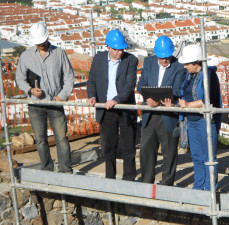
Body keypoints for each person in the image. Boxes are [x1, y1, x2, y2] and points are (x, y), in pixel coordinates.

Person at [16, 22, 74, 173]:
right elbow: (20, 79)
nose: (41, 45)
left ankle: (66, 170)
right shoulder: (26, 56)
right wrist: (30, 90)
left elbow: (69, 77)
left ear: (47, 37)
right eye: (38, 43)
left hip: (55, 103)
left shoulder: (59, 53)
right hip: (36, 105)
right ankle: (47, 169)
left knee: (61, 138)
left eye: (42, 42)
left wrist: (61, 97)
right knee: (41, 140)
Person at [87, 29, 138, 181]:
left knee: (128, 146)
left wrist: (116, 99)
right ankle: (110, 177)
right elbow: (92, 81)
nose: (120, 52)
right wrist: (92, 96)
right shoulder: (98, 59)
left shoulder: (131, 60)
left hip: (124, 108)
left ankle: (129, 178)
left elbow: (129, 85)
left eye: (122, 49)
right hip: (106, 109)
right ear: (108, 47)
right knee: (109, 146)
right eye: (116, 49)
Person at [137, 36, 186, 186]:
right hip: (149, 115)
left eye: (167, 57)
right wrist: (149, 97)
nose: (165, 60)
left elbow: (177, 89)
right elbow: (141, 85)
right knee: (146, 150)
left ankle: (167, 184)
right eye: (162, 57)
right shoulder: (149, 62)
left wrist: (158, 100)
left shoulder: (179, 67)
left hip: (168, 115)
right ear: (156, 55)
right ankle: (147, 182)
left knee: (169, 152)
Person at [177, 44, 222, 191]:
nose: (185, 67)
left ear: (197, 63)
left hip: (205, 121)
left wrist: (189, 105)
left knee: (208, 157)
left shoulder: (209, 76)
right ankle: (199, 185)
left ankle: (210, 189)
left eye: (187, 64)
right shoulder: (190, 76)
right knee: (196, 156)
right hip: (192, 121)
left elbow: (210, 100)